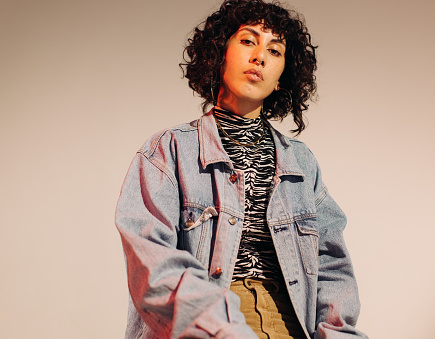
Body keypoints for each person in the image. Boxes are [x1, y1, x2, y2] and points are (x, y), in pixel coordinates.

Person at [115, 0, 368, 338]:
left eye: (275, 51)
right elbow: (153, 264)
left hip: (290, 325)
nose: (260, 56)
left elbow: (333, 266)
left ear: (281, 78)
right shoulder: (169, 150)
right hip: (203, 327)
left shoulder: (302, 162)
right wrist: (225, 329)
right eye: (248, 41)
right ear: (219, 53)